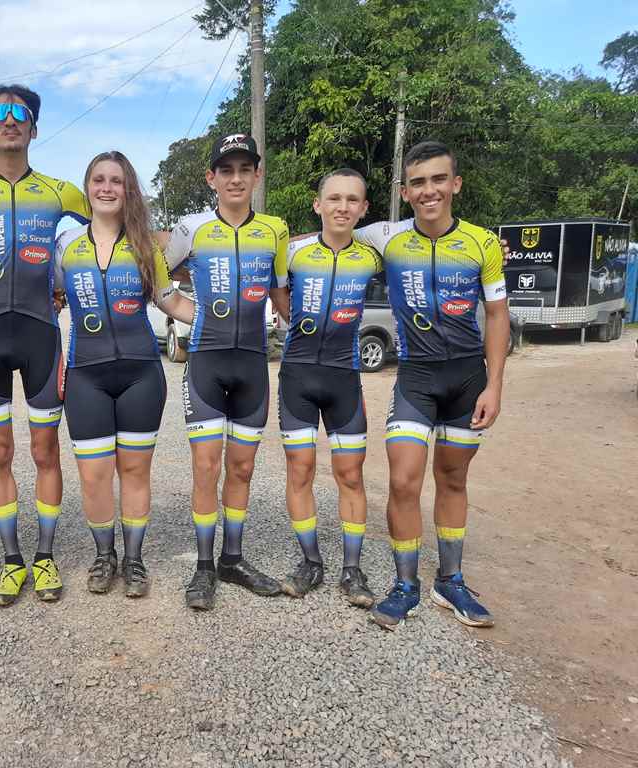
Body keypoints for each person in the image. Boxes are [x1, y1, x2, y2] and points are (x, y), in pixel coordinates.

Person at [353, 140, 510, 630]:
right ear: (406, 190)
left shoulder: (483, 243)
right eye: (418, 183)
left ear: (455, 184)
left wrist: (496, 386)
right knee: (402, 479)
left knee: (453, 478)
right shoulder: (389, 238)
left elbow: (498, 314)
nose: (429, 191)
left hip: (468, 377)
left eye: (438, 180)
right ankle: (405, 585)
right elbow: (330, 230)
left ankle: (450, 581)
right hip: (416, 376)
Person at [0, 85, 89, 606]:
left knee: (44, 449)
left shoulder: (62, 193)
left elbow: (90, 244)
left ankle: (46, 556)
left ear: (34, 128)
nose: (10, 121)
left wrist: (59, 286)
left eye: (21, 114)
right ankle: (12, 561)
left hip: (40, 334)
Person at [54, 151, 194, 597]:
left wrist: (220, 319)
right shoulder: (66, 246)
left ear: (128, 189)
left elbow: (170, 301)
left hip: (140, 373)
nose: (107, 188)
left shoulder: (145, 246)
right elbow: (51, 298)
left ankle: (133, 559)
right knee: (94, 475)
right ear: (88, 187)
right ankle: (103, 555)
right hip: (86, 375)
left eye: (117, 180)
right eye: (99, 179)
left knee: (134, 471)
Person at [164, 133, 289, 611]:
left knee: (242, 467)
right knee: (205, 467)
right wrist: (188, 311)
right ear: (211, 178)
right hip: (207, 364)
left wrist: (300, 320)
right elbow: (156, 276)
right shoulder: (191, 229)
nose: (236, 179)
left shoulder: (274, 230)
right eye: (226, 170)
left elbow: (280, 295)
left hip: (253, 365)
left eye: (245, 169)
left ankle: (232, 558)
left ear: (257, 175)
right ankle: (202, 566)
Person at [268, 168, 382, 609]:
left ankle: (352, 570)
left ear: (364, 209)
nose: (343, 207)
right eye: (334, 199)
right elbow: (276, 290)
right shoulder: (294, 254)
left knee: (350, 475)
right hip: (297, 376)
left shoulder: (373, 256)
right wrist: (289, 315)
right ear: (318, 205)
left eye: (353, 200)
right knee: (300, 472)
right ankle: (311, 561)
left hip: (344, 379)